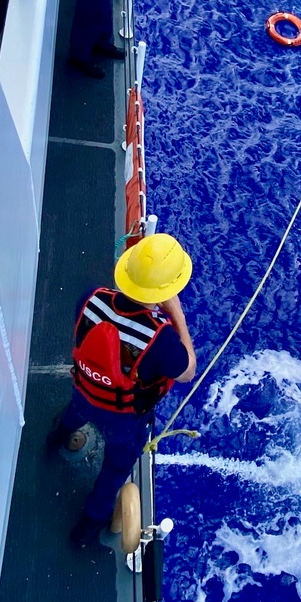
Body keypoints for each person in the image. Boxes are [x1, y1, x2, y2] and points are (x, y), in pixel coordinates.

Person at [48, 233, 197, 548]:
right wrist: (179, 318)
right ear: (169, 290)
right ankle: (86, 528)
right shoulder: (162, 341)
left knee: (74, 413)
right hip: (123, 419)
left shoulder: (91, 298)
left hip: (84, 391)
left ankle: (55, 439)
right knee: (115, 469)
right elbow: (187, 373)